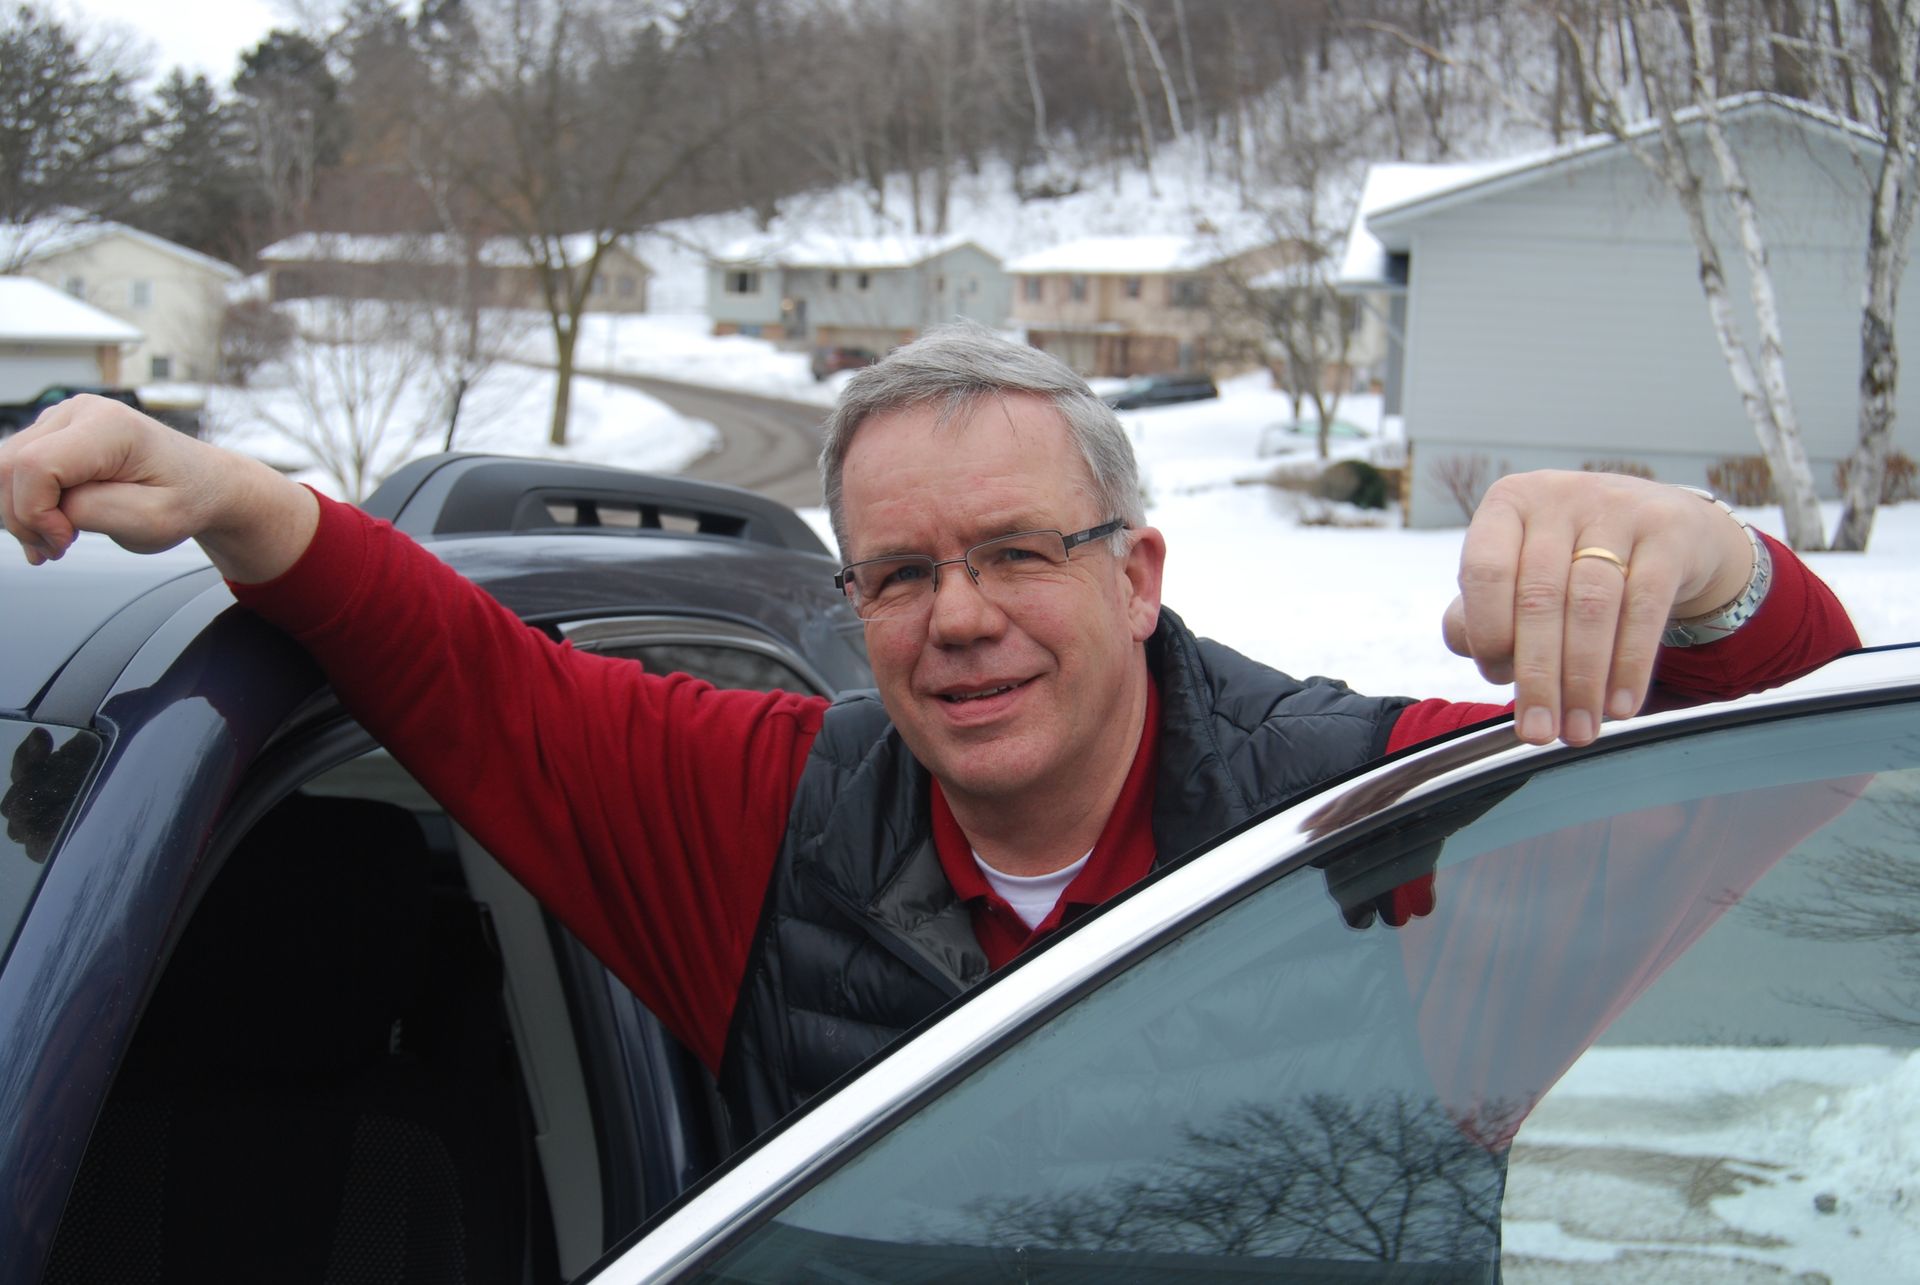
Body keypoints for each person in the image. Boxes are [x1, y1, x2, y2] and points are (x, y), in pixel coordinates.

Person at [0, 325, 1858, 1150]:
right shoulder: (760, 818)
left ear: (1139, 570)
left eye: (1015, 554)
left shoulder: (1374, 824)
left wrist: (1706, 580)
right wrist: (241, 501)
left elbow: (1777, 767)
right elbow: (471, 677)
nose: (956, 615)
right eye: (897, 574)